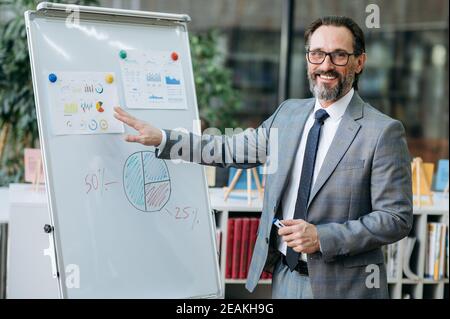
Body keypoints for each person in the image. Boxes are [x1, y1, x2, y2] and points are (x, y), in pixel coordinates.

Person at [114, 16, 412, 299]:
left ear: (359, 62)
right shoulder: (288, 114)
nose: (326, 65)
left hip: (344, 288)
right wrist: (164, 138)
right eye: (317, 54)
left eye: (339, 55)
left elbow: (395, 218)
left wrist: (322, 237)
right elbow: (227, 149)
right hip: (285, 276)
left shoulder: (382, 131)